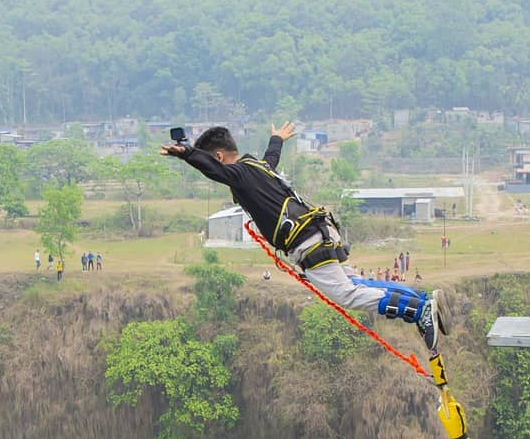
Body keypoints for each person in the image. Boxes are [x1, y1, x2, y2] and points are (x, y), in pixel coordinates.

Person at [160, 123, 448, 354]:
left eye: (216, 162)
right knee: (355, 284)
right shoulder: (259, 167)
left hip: (307, 243)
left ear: (220, 156)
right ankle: (421, 299)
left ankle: (419, 310)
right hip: (320, 233)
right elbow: (271, 157)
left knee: (345, 294)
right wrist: (277, 139)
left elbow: (215, 171)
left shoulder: (239, 174)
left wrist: (186, 154)